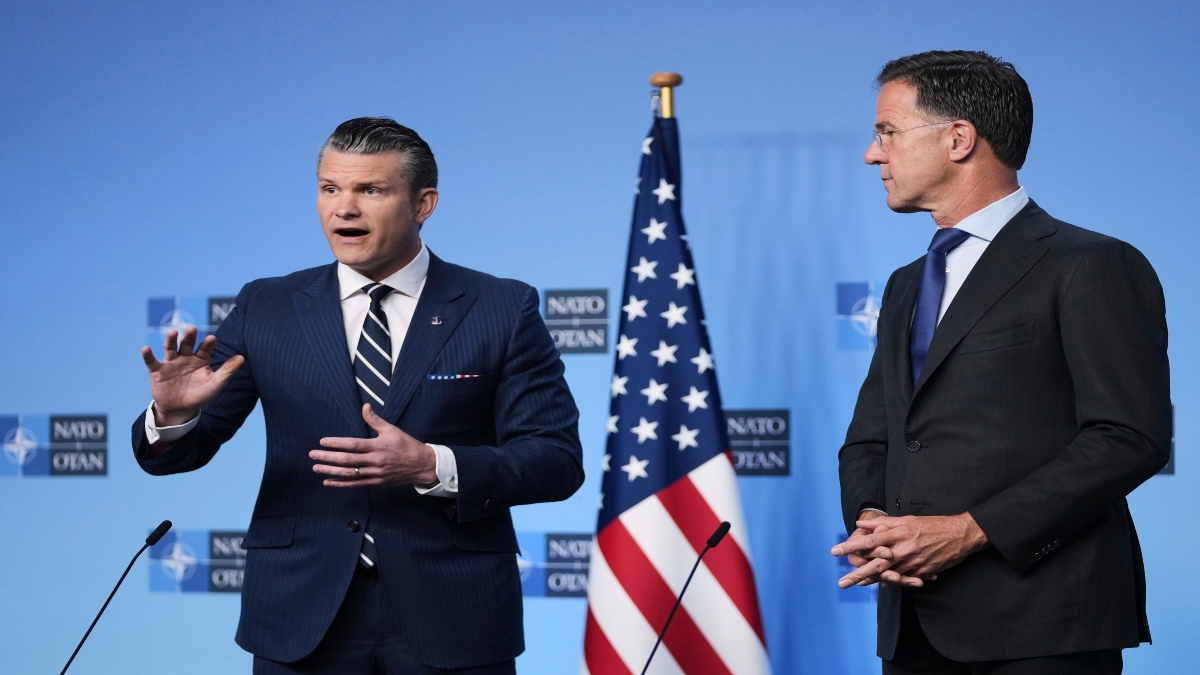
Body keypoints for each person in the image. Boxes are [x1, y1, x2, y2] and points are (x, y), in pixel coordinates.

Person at [133, 117, 584, 674]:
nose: (343, 209)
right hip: (300, 612)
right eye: (330, 189)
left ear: (424, 204)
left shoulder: (500, 307)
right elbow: (181, 454)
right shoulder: (266, 306)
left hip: (454, 611)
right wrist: (173, 417)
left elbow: (555, 462)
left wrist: (430, 465)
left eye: (370, 190)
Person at [832, 51, 1171, 674]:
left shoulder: (1089, 264)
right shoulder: (907, 282)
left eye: (887, 132)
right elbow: (872, 438)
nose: (872, 154)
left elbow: (1129, 437)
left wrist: (968, 530)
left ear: (959, 138)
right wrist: (875, 523)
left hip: (1043, 629)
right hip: (914, 629)